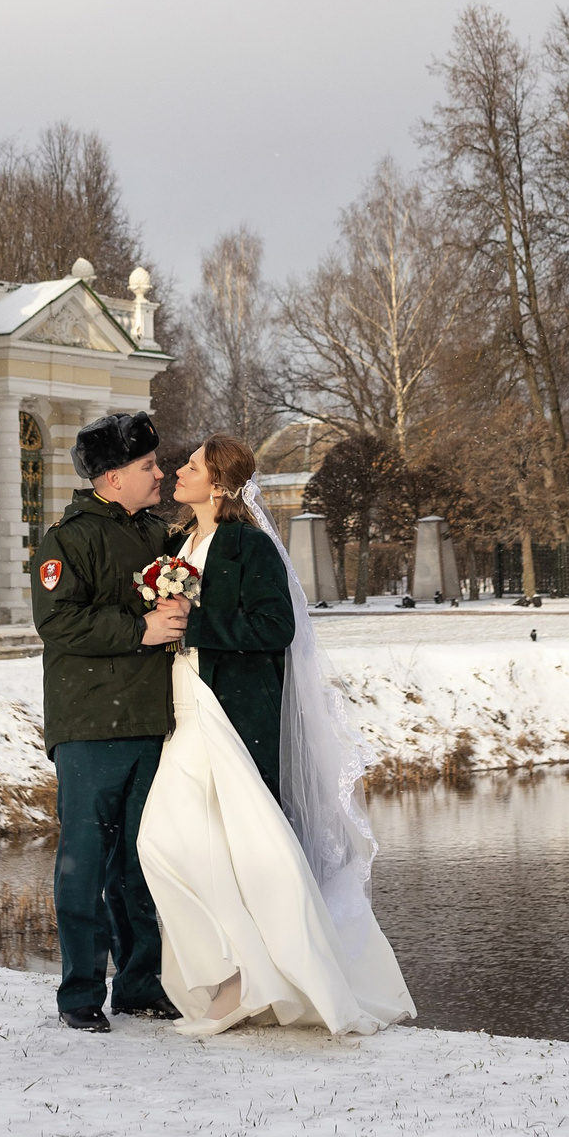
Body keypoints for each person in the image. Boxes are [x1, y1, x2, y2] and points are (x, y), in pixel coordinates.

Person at [136, 434, 415, 1036]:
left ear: (217, 483)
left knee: (247, 850)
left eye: (190, 466)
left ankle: (251, 980)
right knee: (165, 843)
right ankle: (238, 971)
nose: (178, 471)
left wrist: (194, 622)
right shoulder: (180, 542)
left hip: (232, 714)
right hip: (185, 708)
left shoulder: (248, 545)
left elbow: (276, 626)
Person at [30, 410, 187, 1034]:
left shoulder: (156, 535)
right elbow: (58, 624)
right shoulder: (66, 542)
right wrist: (142, 629)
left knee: (141, 865)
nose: (161, 474)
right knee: (85, 864)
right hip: (91, 726)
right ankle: (80, 995)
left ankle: (141, 985)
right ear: (113, 478)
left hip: (150, 722)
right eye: (148, 467)